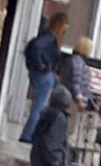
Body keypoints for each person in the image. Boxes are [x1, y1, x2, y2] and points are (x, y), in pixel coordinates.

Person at [17, 11, 67, 143]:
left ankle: (31, 134)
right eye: (65, 25)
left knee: (40, 104)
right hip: (43, 75)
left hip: (42, 73)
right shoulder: (50, 38)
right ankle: (28, 135)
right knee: (39, 106)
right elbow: (36, 47)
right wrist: (41, 65)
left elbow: (32, 46)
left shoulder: (45, 35)